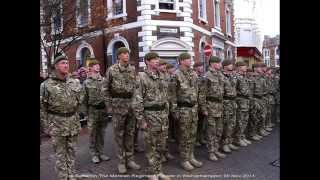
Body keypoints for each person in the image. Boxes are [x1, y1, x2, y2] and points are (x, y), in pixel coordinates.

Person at [40, 55, 84, 180]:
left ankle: (72, 174)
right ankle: (63, 177)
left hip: (73, 122)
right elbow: (42, 108)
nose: (66, 65)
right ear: (56, 66)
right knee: (60, 154)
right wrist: (46, 126)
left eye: (67, 63)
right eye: (63, 63)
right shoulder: (46, 85)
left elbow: (80, 100)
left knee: (72, 151)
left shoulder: (74, 82)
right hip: (57, 124)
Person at [133, 52, 171, 180]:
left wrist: (167, 112)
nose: (157, 61)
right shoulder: (141, 77)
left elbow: (166, 96)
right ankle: (152, 173)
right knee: (151, 146)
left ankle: (159, 170)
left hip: (162, 116)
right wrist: (141, 120)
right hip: (150, 116)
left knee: (161, 145)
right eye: (154, 59)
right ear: (147, 62)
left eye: (157, 58)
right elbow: (138, 100)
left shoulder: (162, 76)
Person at [103, 47, 141, 174]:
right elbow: (105, 89)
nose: (126, 56)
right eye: (124, 54)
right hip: (117, 106)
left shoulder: (132, 69)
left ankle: (130, 159)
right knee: (119, 135)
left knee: (130, 133)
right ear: (118, 56)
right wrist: (108, 105)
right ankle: (121, 162)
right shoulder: (112, 70)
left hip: (130, 106)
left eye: (127, 54)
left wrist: (136, 103)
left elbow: (136, 87)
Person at [172, 52, 203, 171]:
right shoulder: (176, 75)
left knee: (192, 134)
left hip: (193, 109)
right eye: (188, 59)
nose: (191, 61)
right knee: (184, 136)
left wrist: (198, 107)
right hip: (183, 109)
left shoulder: (193, 74)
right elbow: (172, 95)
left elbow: (197, 91)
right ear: (181, 61)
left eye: (190, 59)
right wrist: (175, 111)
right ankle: (184, 159)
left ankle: (191, 156)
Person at [83, 59, 111, 164]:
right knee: (92, 134)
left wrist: (109, 107)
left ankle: (101, 152)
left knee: (101, 133)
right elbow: (84, 99)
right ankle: (93, 154)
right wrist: (85, 113)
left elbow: (108, 95)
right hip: (92, 111)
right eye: (95, 65)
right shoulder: (87, 82)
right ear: (90, 68)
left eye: (98, 64)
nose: (98, 66)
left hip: (103, 111)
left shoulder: (104, 80)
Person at [199, 56, 226, 161]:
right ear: (212, 64)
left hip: (219, 106)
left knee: (219, 130)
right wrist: (204, 109)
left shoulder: (220, 75)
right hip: (211, 106)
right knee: (211, 130)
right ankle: (211, 152)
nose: (220, 65)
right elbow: (202, 94)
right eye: (218, 63)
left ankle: (216, 149)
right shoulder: (207, 76)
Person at [158, 59, 175, 162]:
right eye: (162, 65)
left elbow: (171, 92)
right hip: (159, 109)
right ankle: (160, 154)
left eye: (165, 65)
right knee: (159, 133)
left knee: (166, 132)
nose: (164, 67)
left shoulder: (168, 76)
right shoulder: (157, 76)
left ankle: (166, 151)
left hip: (167, 107)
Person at [221, 60, 239, 153]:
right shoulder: (221, 76)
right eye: (230, 64)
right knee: (226, 124)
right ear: (225, 66)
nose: (232, 66)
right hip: (226, 102)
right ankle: (224, 144)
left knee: (232, 124)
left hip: (232, 102)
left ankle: (229, 142)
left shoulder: (232, 76)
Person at [233, 61, 252, 147]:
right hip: (240, 102)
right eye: (244, 66)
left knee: (244, 120)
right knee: (239, 121)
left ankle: (241, 136)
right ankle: (237, 139)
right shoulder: (235, 77)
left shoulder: (244, 77)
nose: (245, 67)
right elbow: (233, 90)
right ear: (239, 67)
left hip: (246, 101)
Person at [193, 62, 207, 147]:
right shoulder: (194, 77)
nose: (202, 68)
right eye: (200, 67)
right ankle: (195, 140)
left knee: (201, 122)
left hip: (202, 102)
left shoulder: (202, 77)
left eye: (202, 66)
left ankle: (200, 137)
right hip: (195, 103)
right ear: (195, 68)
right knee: (196, 123)